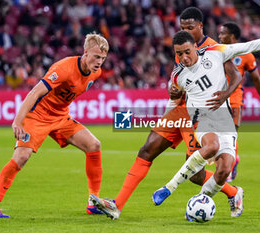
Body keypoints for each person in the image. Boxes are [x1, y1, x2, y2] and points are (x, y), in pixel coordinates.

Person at [89, 7, 244, 219]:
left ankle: (234, 192)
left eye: (190, 28)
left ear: (200, 26)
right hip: (178, 110)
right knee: (147, 150)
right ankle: (117, 205)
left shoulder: (215, 49)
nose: (186, 31)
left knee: (196, 176)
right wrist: (171, 90)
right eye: (183, 28)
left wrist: (224, 96)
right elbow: (177, 79)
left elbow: (235, 75)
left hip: (198, 116)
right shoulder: (181, 46)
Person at [151, 32, 260, 216]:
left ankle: (200, 203)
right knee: (212, 146)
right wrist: (163, 122)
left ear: (195, 48)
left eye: (187, 52)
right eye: (179, 54)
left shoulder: (216, 52)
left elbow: (250, 46)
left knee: (224, 171)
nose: (184, 58)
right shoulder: (178, 76)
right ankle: (169, 187)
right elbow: (174, 101)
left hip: (225, 121)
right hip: (201, 119)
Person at [0, 33, 109, 218]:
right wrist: (18, 120)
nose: (99, 62)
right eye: (96, 57)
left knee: (94, 145)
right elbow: (34, 92)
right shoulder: (64, 68)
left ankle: (93, 202)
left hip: (60, 118)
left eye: (103, 58)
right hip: (37, 116)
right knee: (22, 157)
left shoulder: (95, 73)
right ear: (85, 52)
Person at [218, 22, 260, 181]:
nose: (219, 36)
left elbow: (256, 79)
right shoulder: (216, 51)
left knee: (231, 134)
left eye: (223, 34)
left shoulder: (246, 54)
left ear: (232, 36)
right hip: (217, 99)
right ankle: (232, 160)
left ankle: (229, 166)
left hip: (234, 99)